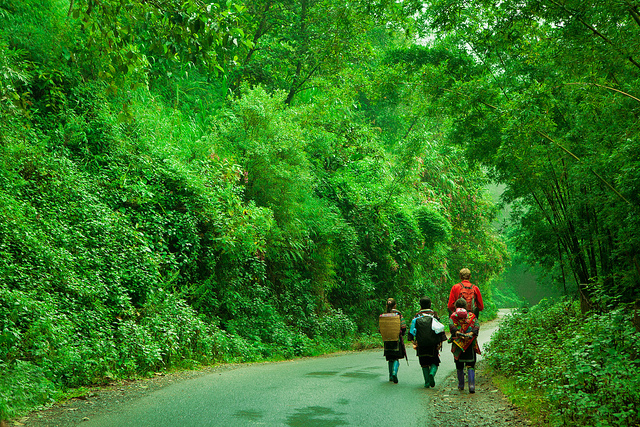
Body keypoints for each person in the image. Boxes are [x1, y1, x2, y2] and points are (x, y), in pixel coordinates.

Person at [407, 296, 447, 388]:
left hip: (421, 344)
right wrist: (440, 342)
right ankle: (432, 373)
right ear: (430, 304)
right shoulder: (434, 315)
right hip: (433, 344)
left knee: (424, 363)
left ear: (420, 305)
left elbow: (412, 330)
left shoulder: (417, 316)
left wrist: (413, 341)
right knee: (435, 362)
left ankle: (427, 382)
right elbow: (439, 329)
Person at [449, 298, 481, 393]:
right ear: (466, 306)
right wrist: (469, 335)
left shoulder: (453, 316)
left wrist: (459, 334)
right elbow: (476, 327)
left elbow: (452, 328)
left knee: (459, 365)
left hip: (458, 344)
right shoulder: (472, 316)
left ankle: (461, 385)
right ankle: (472, 386)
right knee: (470, 364)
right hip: (470, 343)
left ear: (456, 306)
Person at [379, 298, 406, 384]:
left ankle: (390, 376)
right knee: (396, 358)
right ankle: (394, 372)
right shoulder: (398, 314)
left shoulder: (383, 315)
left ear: (387, 306)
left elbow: (380, 329)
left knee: (390, 358)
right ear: (395, 305)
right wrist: (402, 333)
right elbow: (403, 326)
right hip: (396, 339)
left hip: (387, 339)